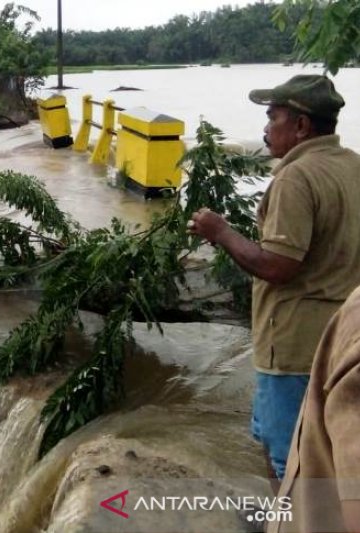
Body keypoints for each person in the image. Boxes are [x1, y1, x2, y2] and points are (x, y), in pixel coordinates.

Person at [187, 75, 360, 484]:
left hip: (295, 350)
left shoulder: (296, 178)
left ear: (300, 126)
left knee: (292, 466)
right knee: (331, 455)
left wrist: (221, 232)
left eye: (272, 117)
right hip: (345, 339)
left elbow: (280, 267)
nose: (265, 129)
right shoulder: (352, 165)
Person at [267, 285, 360, 533]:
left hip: (295, 349)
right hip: (292, 348)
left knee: (289, 453)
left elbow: (278, 268)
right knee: (286, 450)